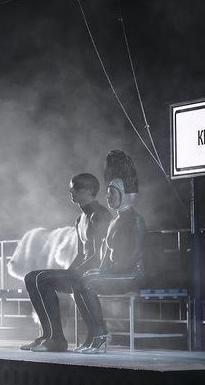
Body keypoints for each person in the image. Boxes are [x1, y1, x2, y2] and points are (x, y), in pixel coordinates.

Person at [19, 173, 112, 352]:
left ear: (90, 191)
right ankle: (48, 335)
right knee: (31, 277)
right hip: (81, 270)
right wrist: (68, 272)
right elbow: (81, 254)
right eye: (71, 188)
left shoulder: (100, 215)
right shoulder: (80, 218)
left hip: (93, 272)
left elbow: (98, 255)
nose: (71, 191)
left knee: (43, 279)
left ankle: (57, 339)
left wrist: (72, 274)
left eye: (76, 187)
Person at [72, 151, 147, 354]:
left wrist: (106, 272)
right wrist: (100, 270)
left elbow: (133, 256)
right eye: (108, 193)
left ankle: (101, 334)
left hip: (133, 273)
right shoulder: (114, 221)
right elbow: (106, 252)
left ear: (124, 195)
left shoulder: (135, 220)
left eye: (113, 193)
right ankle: (93, 334)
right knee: (79, 283)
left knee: (88, 283)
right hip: (117, 272)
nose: (108, 197)